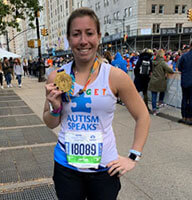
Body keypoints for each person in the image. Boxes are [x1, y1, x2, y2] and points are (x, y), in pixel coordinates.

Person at [43, 7, 150, 200]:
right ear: (69, 39)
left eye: (89, 33)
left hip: (105, 169)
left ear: (98, 37)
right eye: (76, 34)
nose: (83, 41)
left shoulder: (115, 76)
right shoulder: (57, 76)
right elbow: (50, 122)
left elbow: (142, 115)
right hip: (66, 167)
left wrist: (133, 157)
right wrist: (55, 107)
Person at [148, 49, 174, 115]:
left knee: (154, 96)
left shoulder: (153, 62)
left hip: (153, 80)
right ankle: (160, 102)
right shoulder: (163, 63)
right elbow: (170, 71)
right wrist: (170, 68)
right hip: (160, 81)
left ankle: (154, 110)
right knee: (162, 92)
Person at [177, 41, 192, 125]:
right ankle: (190, 118)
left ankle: (184, 117)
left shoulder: (184, 56)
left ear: (190, 45)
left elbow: (179, 68)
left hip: (185, 80)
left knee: (184, 99)